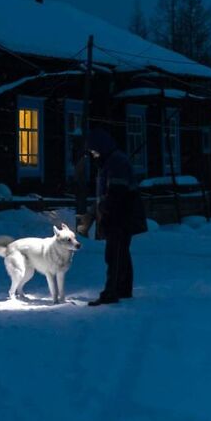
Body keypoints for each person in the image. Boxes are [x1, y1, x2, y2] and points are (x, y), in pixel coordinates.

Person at [83, 128, 146, 306]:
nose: (93, 155)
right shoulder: (111, 161)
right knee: (120, 252)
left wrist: (107, 214)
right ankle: (123, 288)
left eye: (94, 150)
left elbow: (116, 193)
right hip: (120, 214)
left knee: (115, 253)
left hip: (120, 216)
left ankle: (113, 291)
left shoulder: (115, 163)